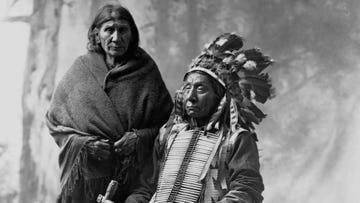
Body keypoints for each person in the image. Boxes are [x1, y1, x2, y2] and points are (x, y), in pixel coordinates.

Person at [46, 3, 173, 203]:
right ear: (97, 35)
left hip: (132, 180)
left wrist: (139, 138)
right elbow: (55, 123)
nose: (116, 37)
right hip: (87, 182)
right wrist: (85, 145)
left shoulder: (146, 71)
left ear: (132, 34)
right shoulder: (81, 70)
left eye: (123, 30)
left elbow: (169, 125)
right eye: (109, 30)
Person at [145, 33, 274, 202]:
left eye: (200, 89)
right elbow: (145, 187)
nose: (190, 96)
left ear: (218, 97)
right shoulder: (167, 136)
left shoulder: (236, 140)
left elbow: (247, 190)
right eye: (187, 87)